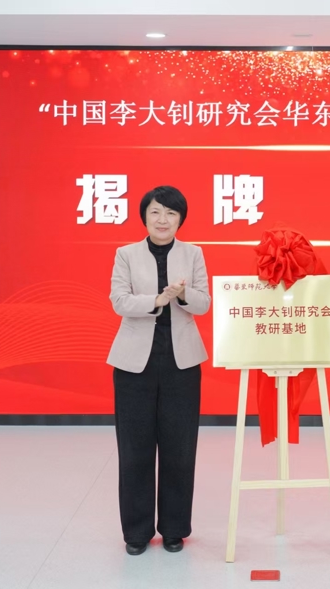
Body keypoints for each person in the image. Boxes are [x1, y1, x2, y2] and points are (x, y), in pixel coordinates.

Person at [106, 185, 211, 556]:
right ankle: (136, 532)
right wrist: (156, 300)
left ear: (180, 219)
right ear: (144, 217)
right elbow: (119, 301)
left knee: (179, 449)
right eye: (155, 212)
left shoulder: (194, 253)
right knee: (134, 450)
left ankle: (174, 529)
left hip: (182, 362)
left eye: (170, 213)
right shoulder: (126, 254)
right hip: (134, 363)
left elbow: (204, 303)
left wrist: (181, 295)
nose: (162, 219)